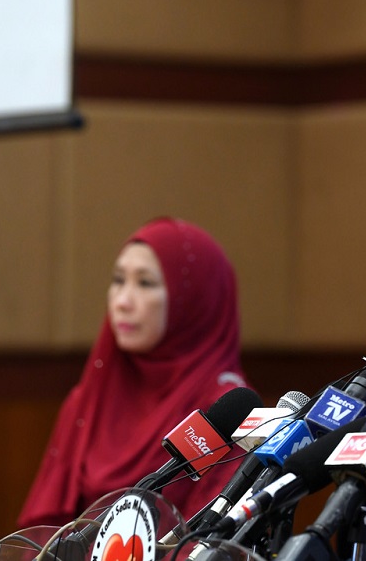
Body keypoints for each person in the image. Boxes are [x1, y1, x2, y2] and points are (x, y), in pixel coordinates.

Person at [18, 217, 253, 528]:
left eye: (145, 283)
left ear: (195, 300)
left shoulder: (224, 412)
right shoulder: (88, 399)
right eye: (118, 280)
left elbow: (206, 542)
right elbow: (45, 534)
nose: (122, 301)